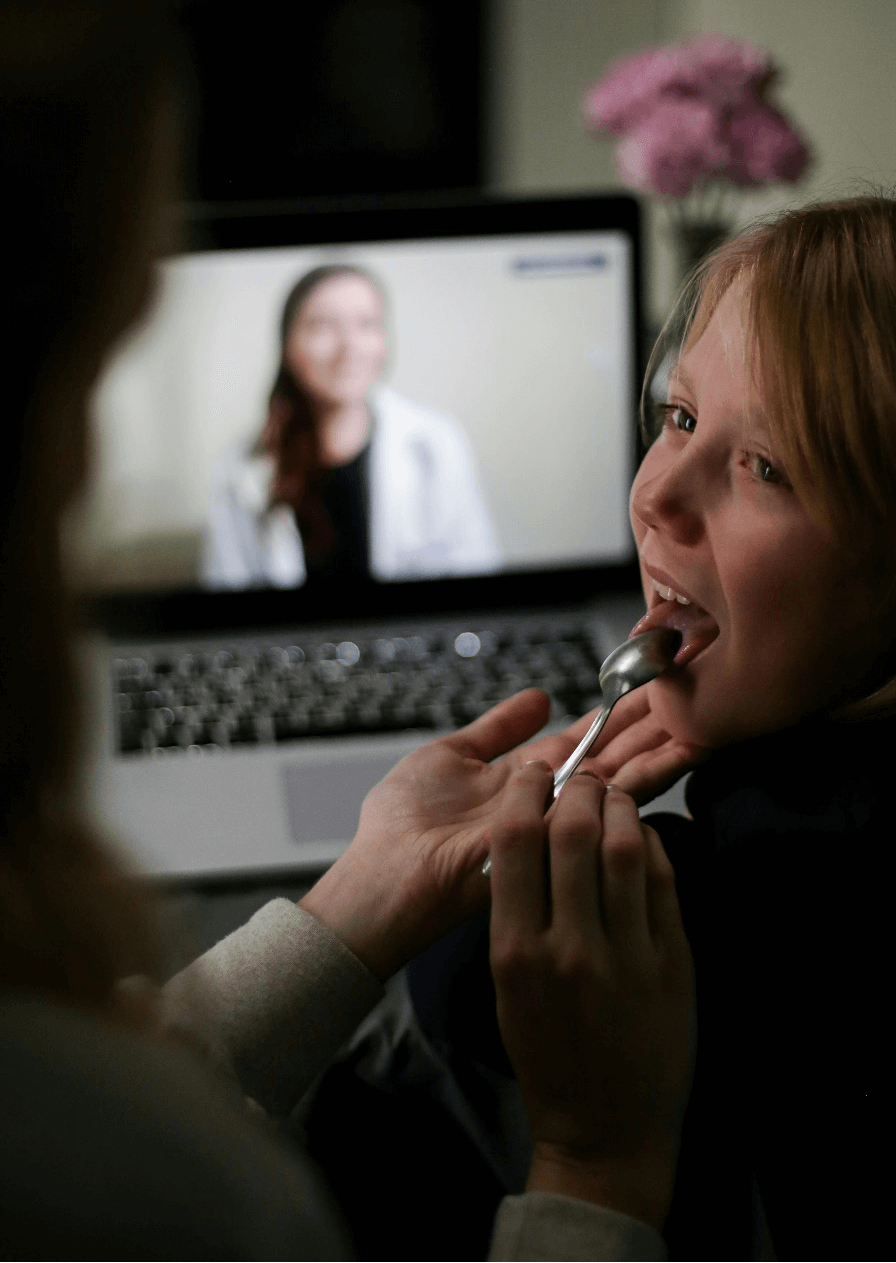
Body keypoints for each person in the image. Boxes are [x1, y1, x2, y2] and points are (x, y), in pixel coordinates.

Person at [1, 4, 695, 1259]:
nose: (654, 493)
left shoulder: (433, 447)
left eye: (362, 324)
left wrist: (359, 896)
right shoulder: (192, 1206)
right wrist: (594, 1169)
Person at [326, 195, 896, 1260]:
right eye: (682, 418)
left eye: (767, 469)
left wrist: (481, 874)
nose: (656, 496)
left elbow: (461, 991)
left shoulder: (760, 902)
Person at [201, 263, 503, 588]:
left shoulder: (435, 443)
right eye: (323, 326)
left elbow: (477, 579)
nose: (349, 348)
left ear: (385, 342)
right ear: (288, 347)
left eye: (366, 324)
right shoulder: (242, 467)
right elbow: (227, 594)